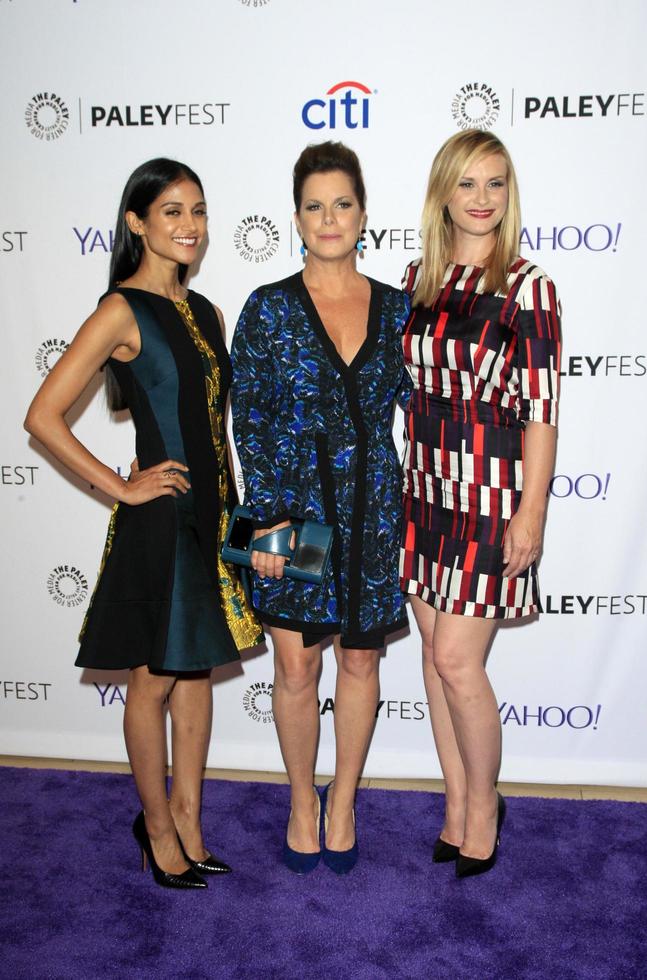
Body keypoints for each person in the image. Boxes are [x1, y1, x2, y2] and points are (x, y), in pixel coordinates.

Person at [24, 158, 262, 889]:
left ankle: (190, 819)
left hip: (215, 517)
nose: (189, 225)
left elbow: (212, 427)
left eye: (198, 210)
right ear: (137, 222)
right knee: (152, 682)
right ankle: (156, 829)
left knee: (195, 675)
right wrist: (121, 489)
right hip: (160, 523)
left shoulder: (210, 312)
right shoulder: (120, 310)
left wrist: (242, 521)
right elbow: (43, 416)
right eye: (171, 212)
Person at [231, 141, 410, 875]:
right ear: (297, 218)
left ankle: (345, 802)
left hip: (372, 513)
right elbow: (251, 422)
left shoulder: (398, 308)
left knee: (361, 664)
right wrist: (267, 528)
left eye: (343, 203)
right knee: (297, 668)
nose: (329, 218)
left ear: (363, 214)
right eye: (315, 205)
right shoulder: (268, 309)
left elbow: (423, 406)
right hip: (292, 518)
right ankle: (303, 799)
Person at [400, 130, 561, 878]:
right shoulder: (417, 280)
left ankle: (486, 806)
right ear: (443, 194)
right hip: (425, 490)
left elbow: (539, 410)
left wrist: (531, 512)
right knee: (435, 664)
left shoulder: (530, 288)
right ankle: (457, 805)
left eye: (496, 184)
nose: (483, 199)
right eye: (468, 184)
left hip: (490, 499)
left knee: (459, 663)